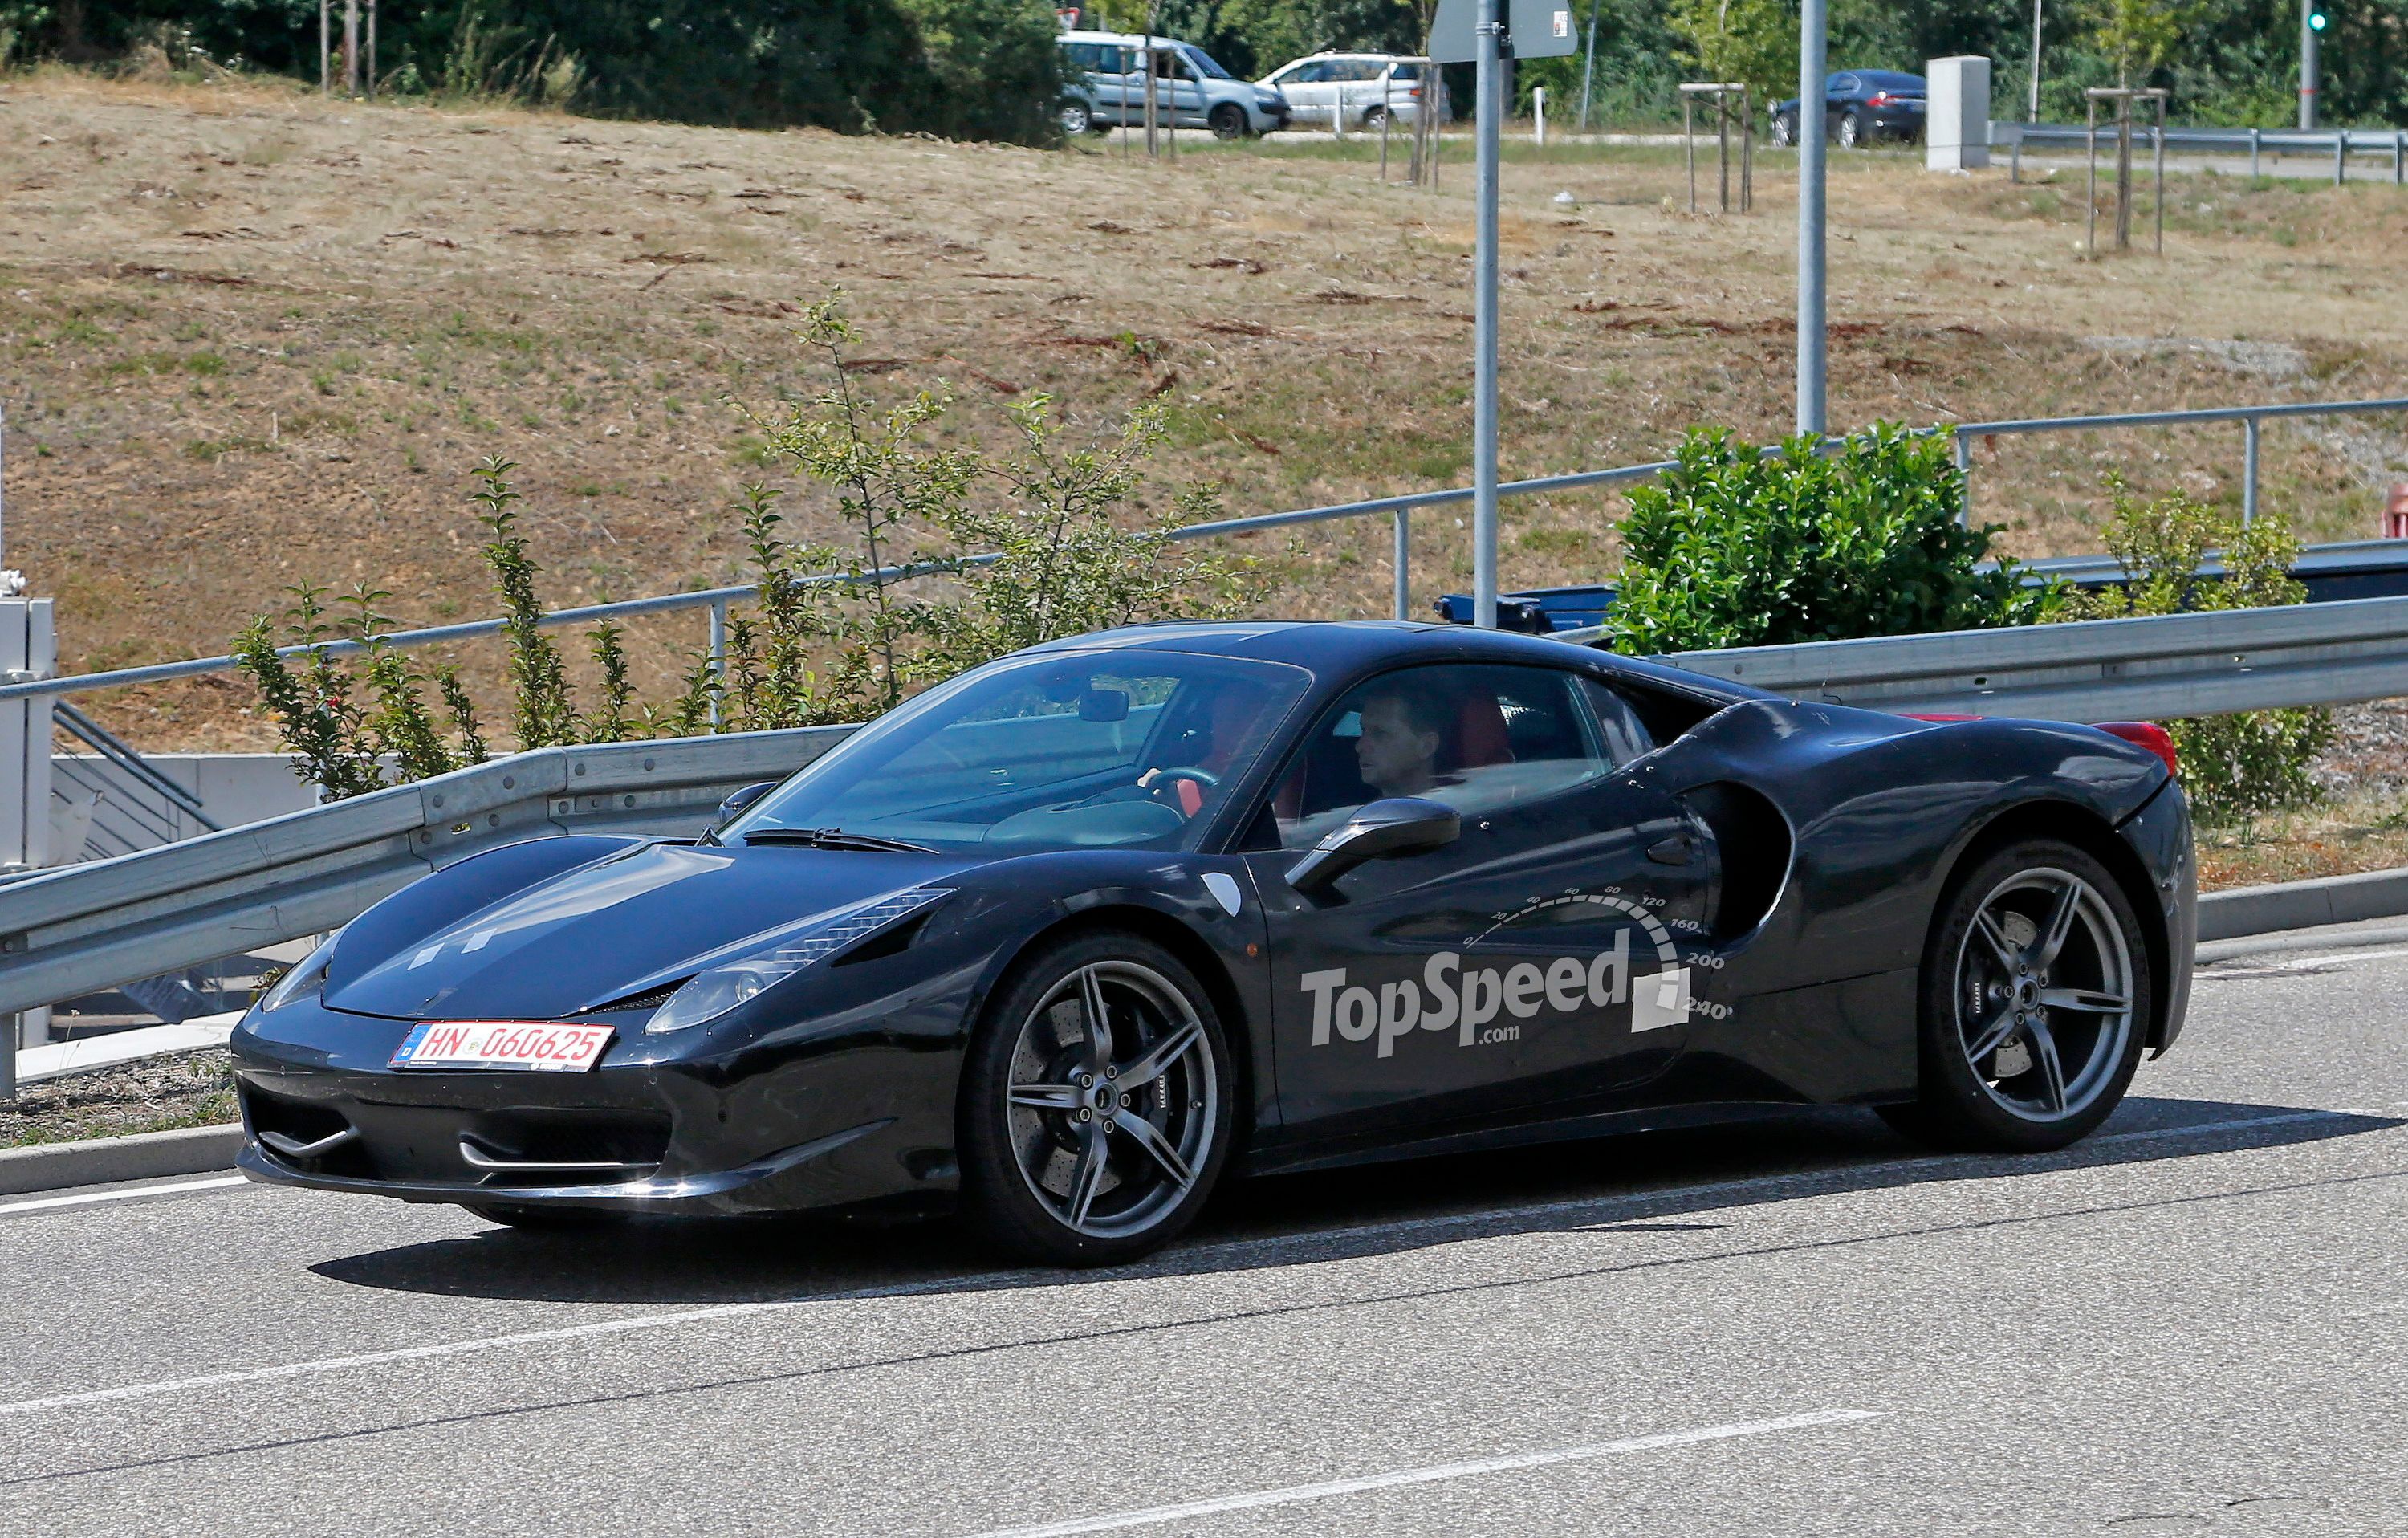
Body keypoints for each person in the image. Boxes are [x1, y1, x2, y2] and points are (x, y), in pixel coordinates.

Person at [1353, 689, 1446, 800]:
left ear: (1427, 746)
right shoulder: (1363, 814)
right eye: (1363, 730)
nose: (1359, 747)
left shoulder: (1464, 811)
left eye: (1380, 733)